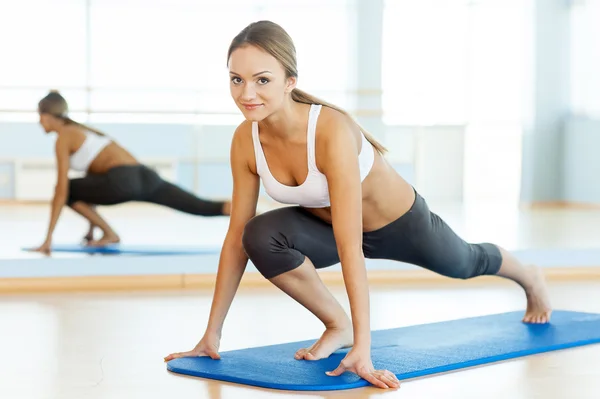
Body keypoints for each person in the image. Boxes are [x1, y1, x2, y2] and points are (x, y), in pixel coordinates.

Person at [164, 20, 552, 389]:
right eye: (237, 79)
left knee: (465, 263)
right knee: (258, 234)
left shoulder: (330, 130)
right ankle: (338, 325)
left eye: (262, 80)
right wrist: (211, 335)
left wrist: (364, 352)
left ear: (290, 82)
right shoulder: (244, 141)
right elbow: (235, 240)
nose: (247, 94)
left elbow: (352, 246)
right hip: (325, 229)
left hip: (400, 223)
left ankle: (528, 274)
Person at [32, 90, 231, 254]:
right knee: (201, 206)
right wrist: (90, 230)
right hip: (145, 176)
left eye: (40, 118)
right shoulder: (85, 132)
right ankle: (244, 211)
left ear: (47, 116)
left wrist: (48, 239)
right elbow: (92, 182)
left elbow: (62, 189)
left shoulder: (63, 138)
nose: (40, 123)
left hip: (122, 180)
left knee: (69, 191)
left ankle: (110, 234)